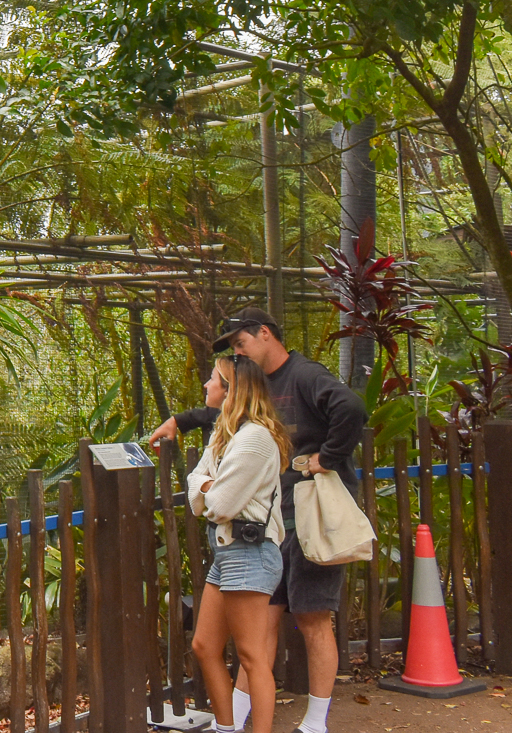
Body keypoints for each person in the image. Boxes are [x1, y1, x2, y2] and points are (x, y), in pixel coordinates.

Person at [152, 308, 366, 733]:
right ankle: (238, 719)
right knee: (261, 629)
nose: (236, 352)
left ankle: (315, 722)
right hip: (271, 522)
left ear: (265, 334)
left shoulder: (305, 375)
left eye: (240, 343)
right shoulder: (255, 390)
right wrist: (181, 419)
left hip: (308, 513)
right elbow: (224, 416)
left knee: (312, 617)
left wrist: (327, 458)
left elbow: (351, 407)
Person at [187, 355, 291, 733]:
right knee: (204, 645)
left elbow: (218, 504)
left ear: (231, 390)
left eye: (212, 378)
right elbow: (197, 483)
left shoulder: (255, 439)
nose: (206, 385)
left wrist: (208, 489)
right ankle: (225, 727)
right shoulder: (225, 434)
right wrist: (208, 487)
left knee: (251, 656)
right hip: (228, 552)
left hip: (250, 553)